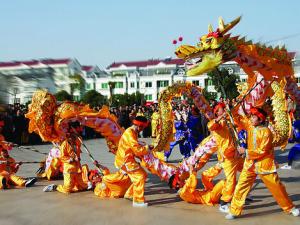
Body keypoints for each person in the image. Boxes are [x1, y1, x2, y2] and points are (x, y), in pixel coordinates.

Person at [225, 107, 299, 219]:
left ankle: (290, 208)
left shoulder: (266, 132)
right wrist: (232, 109)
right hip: (250, 164)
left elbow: (262, 151)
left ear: (260, 120)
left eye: (253, 117)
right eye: (251, 116)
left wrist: (245, 151)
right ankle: (234, 210)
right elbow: (237, 119)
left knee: (277, 187)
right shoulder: (250, 126)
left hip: (264, 164)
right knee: (241, 186)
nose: (251, 118)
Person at [207, 102, 243, 212]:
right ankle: (224, 202)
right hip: (228, 156)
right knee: (231, 180)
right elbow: (211, 126)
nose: (225, 109)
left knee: (247, 172)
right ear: (217, 112)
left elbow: (239, 123)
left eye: (225, 107)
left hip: (236, 153)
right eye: (222, 108)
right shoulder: (218, 123)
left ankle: (239, 195)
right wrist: (222, 116)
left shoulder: (228, 120)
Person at [114, 116, 153, 207]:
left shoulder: (133, 132)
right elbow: (137, 149)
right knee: (140, 176)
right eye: (143, 127)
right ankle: (138, 200)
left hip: (128, 159)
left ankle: (130, 194)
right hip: (125, 161)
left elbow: (135, 147)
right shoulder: (130, 133)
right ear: (139, 126)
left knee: (143, 174)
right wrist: (148, 148)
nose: (142, 130)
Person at [43, 121, 89, 194]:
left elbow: (78, 150)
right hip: (69, 168)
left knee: (84, 187)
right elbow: (62, 157)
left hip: (77, 168)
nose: (78, 132)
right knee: (67, 189)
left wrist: (78, 158)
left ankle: (76, 184)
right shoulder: (65, 144)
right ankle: (56, 187)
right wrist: (72, 159)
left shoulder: (78, 140)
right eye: (76, 130)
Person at [0, 121, 37, 189]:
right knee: (2, 178)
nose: (0, 128)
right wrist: (3, 162)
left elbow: (4, 145)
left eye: (1, 127)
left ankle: (25, 182)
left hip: (8, 174)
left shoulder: (1, 137)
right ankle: (3, 183)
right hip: (1, 174)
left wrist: (9, 145)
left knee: (13, 176)